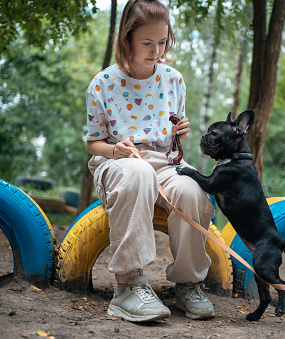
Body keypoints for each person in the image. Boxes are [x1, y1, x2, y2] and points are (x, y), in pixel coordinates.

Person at [85, 0, 216, 323]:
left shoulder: (174, 80)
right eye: (147, 43)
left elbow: (173, 130)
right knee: (138, 173)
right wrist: (117, 150)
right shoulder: (103, 84)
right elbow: (93, 144)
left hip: (164, 162)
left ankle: (188, 285)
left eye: (162, 42)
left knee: (191, 191)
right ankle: (128, 286)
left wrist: (181, 130)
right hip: (118, 161)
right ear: (127, 38)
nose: (156, 50)